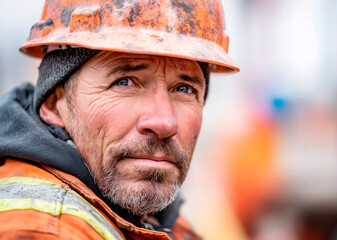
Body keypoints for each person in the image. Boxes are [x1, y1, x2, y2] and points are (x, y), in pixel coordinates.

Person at [0, 0, 238, 239]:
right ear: (53, 103)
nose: (164, 123)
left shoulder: (156, 218)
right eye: (124, 82)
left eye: (184, 89)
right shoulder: (46, 228)